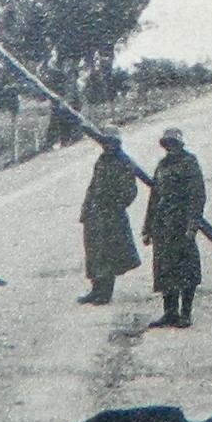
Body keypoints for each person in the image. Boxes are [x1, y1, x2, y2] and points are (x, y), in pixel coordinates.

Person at [142, 128, 206, 328]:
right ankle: (169, 312)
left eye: (174, 144)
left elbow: (198, 196)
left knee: (186, 269)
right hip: (162, 225)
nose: (170, 147)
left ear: (180, 144)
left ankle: (185, 313)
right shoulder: (162, 165)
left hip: (181, 224)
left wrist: (192, 224)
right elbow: (154, 197)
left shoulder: (189, 163)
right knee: (164, 269)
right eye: (167, 144)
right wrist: (147, 227)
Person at [78, 127, 140, 305]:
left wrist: (115, 205)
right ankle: (96, 289)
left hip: (112, 216)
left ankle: (105, 293)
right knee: (94, 252)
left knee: (109, 254)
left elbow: (130, 190)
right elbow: (93, 186)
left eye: (112, 142)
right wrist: (86, 209)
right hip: (95, 214)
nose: (108, 145)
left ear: (117, 143)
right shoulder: (102, 160)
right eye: (106, 141)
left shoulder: (124, 162)